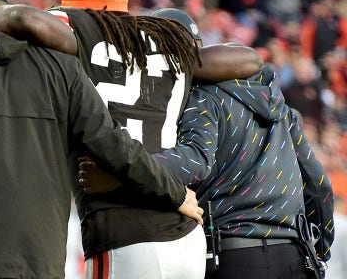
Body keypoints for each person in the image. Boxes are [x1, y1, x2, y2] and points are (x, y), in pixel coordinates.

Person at [0, 0, 262, 279]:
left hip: (123, 229)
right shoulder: (159, 40)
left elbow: (21, 16)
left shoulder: (78, 35)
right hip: (185, 236)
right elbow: (249, 59)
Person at [80, 63, 335, 278]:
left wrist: (121, 170)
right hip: (294, 256)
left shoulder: (204, 98)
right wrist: (320, 253)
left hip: (234, 255)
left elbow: (193, 162)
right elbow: (317, 185)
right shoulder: (282, 110)